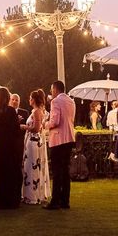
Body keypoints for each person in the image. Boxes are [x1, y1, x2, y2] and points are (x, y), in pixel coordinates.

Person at [0, 87, 24, 209]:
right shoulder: (11, 111)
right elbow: (16, 130)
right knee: (11, 173)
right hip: (10, 146)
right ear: (8, 98)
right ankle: (11, 201)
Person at [44, 80, 76, 210]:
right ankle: (65, 200)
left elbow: (55, 121)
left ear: (56, 89)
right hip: (69, 138)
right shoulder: (71, 101)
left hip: (58, 140)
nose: (51, 92)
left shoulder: (55, 101)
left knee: (57, 171)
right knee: (65, 171)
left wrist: (45, 124)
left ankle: (55, 201)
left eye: (52, 89)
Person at [21, 89, 50, 204]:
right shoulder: (38, 111)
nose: (28, 100)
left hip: (34, 142)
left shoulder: (36, 111)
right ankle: (33, 194)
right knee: (31, 167)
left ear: (33, 100)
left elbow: (37, 128)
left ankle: (33, 196)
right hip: (34, 141)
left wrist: (24, 127)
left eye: (30, 98)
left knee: (31, 167)